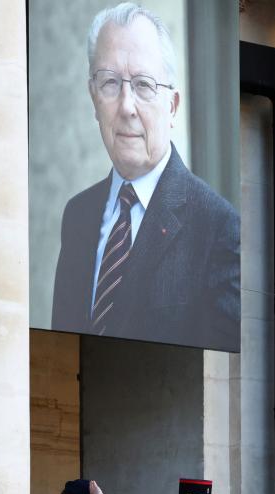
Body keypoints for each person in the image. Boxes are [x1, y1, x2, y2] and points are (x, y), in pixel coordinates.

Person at [51, 1, 239, 351]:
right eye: (109, 83)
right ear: (93, 98)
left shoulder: (219, 227)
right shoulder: (77, 215)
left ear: (172, 106)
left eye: (143, 85)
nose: (126, 106)